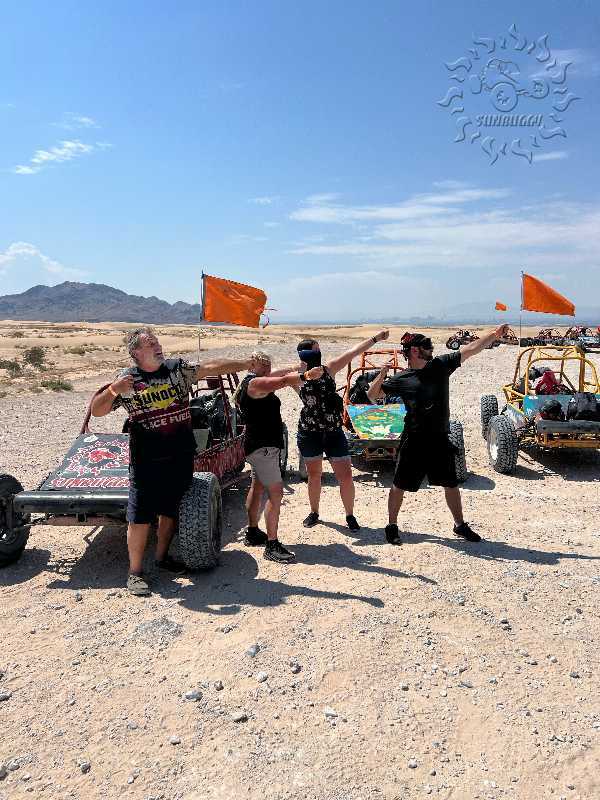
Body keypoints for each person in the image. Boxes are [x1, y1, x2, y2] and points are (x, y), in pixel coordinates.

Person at [91, 327, 255, 597]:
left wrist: (246, 363)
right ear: (136, 352)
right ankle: (135, 573)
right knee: (139, 517)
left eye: (158, 342)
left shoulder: (177, 370)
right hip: (145, 461)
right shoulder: (127, 379)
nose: (158, 346)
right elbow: (97, 410)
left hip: (179, 456)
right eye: (151, 344)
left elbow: (210, 367)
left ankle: (162, 558)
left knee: (170, 511)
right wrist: (112, 390)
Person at [367, 325, 509, 545]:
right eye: (427, 346)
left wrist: (494, 335)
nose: (431, 349)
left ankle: (459, 525)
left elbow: (471, 349)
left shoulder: (441, 365)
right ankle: (392, 525)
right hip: (414, 440)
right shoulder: (402, 378)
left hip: (440, 438)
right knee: (399, 484)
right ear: (415, 350)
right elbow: (372, 395)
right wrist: (383, 374)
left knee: (450, 484)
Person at [234, 350, 323, 563]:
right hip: (263, 448)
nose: (268, 369)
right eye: (264, 365)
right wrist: (305, 376)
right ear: (253, 366)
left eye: (268, 365)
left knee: (257, 487)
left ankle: (252, 532)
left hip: (259, 446)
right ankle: (271, 544)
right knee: (275, 494)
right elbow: (281, 381)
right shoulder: (255, 384)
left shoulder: (252, 381)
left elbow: (278, 375)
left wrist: (295, 367)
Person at [297, 330, 390, 531]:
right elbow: (273, 379)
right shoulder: (297, 376)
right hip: (309, 432)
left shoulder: (329, 369)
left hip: (333, 431)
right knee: (314, 475)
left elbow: (353, 352)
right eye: (314, 351)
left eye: (319, 350)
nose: (318, 354)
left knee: (346, 476)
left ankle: (350, 515)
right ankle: (314, 512)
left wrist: (376, 338)